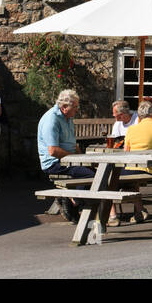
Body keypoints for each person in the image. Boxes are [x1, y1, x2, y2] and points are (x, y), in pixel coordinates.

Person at [37, 89, 92, 222]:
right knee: (91, 175)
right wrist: (75, 158)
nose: (77, 109)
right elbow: (53, 151)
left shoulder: (68, 117)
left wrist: (84, 159)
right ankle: (74, 200)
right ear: (64, 107)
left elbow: (73, 144)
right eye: (75, 107)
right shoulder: (52, 120)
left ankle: (75, 202)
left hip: (68, 160)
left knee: (96, 171)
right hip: (54, 163)